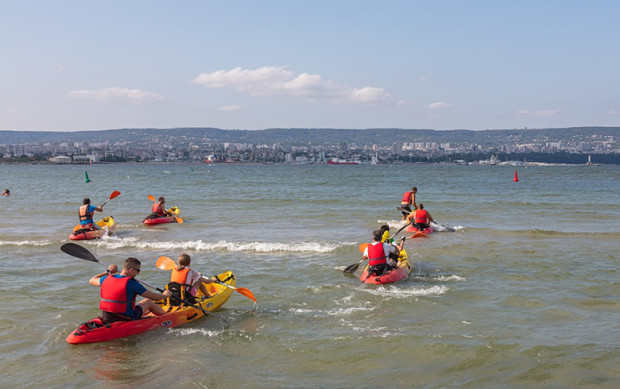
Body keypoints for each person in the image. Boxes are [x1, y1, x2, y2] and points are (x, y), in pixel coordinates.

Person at [89, 257, 172, 324]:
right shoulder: (131, 283)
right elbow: (154, 297)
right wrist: (165, 295)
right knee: (148, 301)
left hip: (107, 317)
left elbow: (92, 280)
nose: (138, 274)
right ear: (131, 270)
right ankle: (168, 318)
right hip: (125, 318)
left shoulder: (107, 278)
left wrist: (108, 272)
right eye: (138, 271)